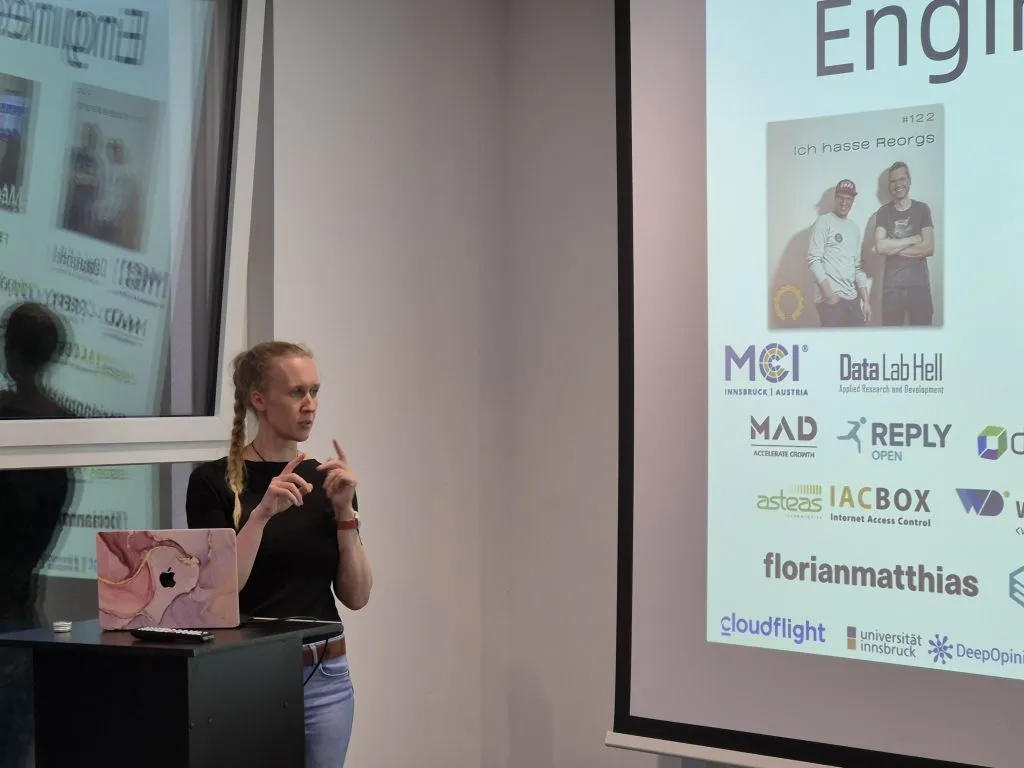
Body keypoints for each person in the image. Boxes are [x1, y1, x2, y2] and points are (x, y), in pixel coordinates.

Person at [185, 340, 373, 767]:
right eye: (296, 392)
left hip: (324, 673)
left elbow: (357, 596)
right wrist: (261, 515)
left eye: (315, 391)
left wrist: (345, 514)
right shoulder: (213, 482)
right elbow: (220, 591)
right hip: (246, 673)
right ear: (259, 400)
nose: (310, 405)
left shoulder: (326, 481)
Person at [873, 161, 935, 326]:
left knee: (923, 337)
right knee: (891, 338)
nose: (898, 184)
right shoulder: (883, 212)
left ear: (909, 180)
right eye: (893, 181)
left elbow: (928, 248)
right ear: (889, 185)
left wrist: (891, 247)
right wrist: (912, 240)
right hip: (892, 289)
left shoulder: (922, 209)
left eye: (902, 179)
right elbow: (880, 246)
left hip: (919, 287)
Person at [807, 178, 871, 327]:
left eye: (849, 199)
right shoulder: (823, 222)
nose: (844, 203)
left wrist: (866, 301)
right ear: (835, 198)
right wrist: (829, 294)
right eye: (841, 198)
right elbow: (813, 259)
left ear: (853, 201)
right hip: (832, 301)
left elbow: (857, 267)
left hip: (853, 300)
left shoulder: (854, 229)